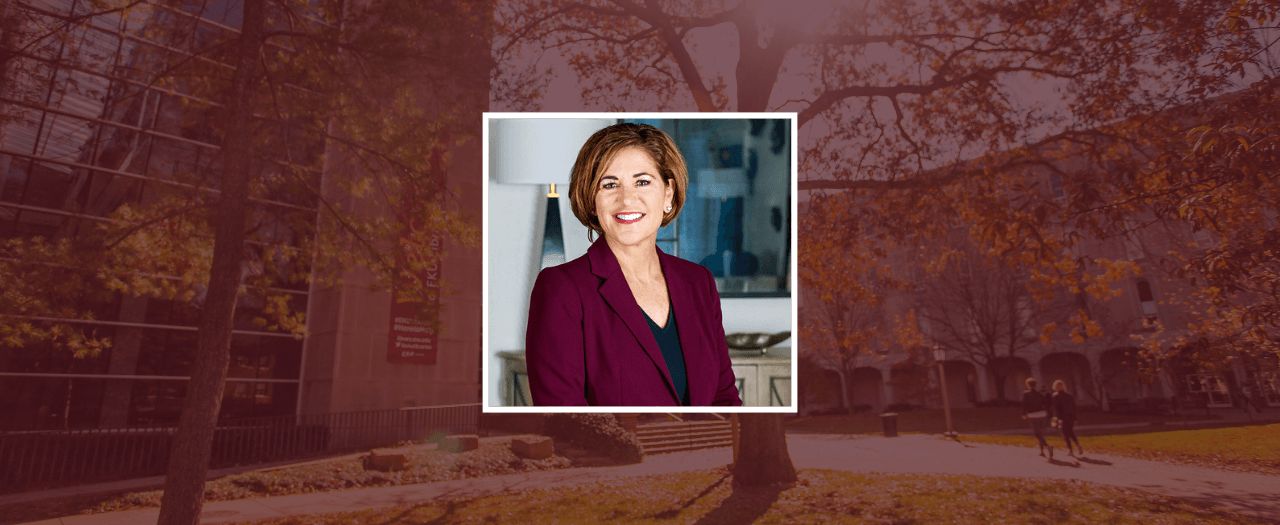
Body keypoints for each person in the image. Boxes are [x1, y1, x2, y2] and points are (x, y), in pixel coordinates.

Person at [525, 123, 742, 407]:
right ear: (592, 200)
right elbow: (565, 419)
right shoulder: (561, 289)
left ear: (668, 193)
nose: (626, 199)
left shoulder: (698, 282)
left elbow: (723, 397)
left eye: (642, 182)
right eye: (609, 184)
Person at [1021, 377, 1053, 459]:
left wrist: (1023, 413)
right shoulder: (1040, 394)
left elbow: (1024, 404)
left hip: (1033, 415)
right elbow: (1045, 404)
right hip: (1042, 414)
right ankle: (1041, 451)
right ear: (1035, 385)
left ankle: (1047, 446)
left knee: (1037, 434)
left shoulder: (1026, 394)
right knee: (1040, 433)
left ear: (1028, 385)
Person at [1051, 379, 1082, 456]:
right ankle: (1078, 445)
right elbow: (1074, 407)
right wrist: (1075, 417)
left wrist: (1056, 419)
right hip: (1071, 416)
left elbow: (1057, 408)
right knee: (1070, 431)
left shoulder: (1056, 396)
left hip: (1063, 417)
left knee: (1065, 433)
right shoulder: (1069, 395)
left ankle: (1070, 450)